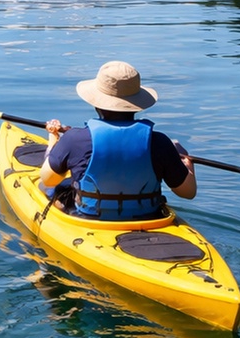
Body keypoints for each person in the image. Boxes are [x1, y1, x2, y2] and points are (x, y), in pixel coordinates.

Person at [38, 61, 196, 220]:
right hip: (149, 218)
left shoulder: (75, 139)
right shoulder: (160, 142)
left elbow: (48, 179)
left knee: (52, 188)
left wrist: (54, 138)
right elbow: (188, 193)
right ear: (137, 104)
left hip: (89, 219)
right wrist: (187, 166)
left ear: (96, 103)